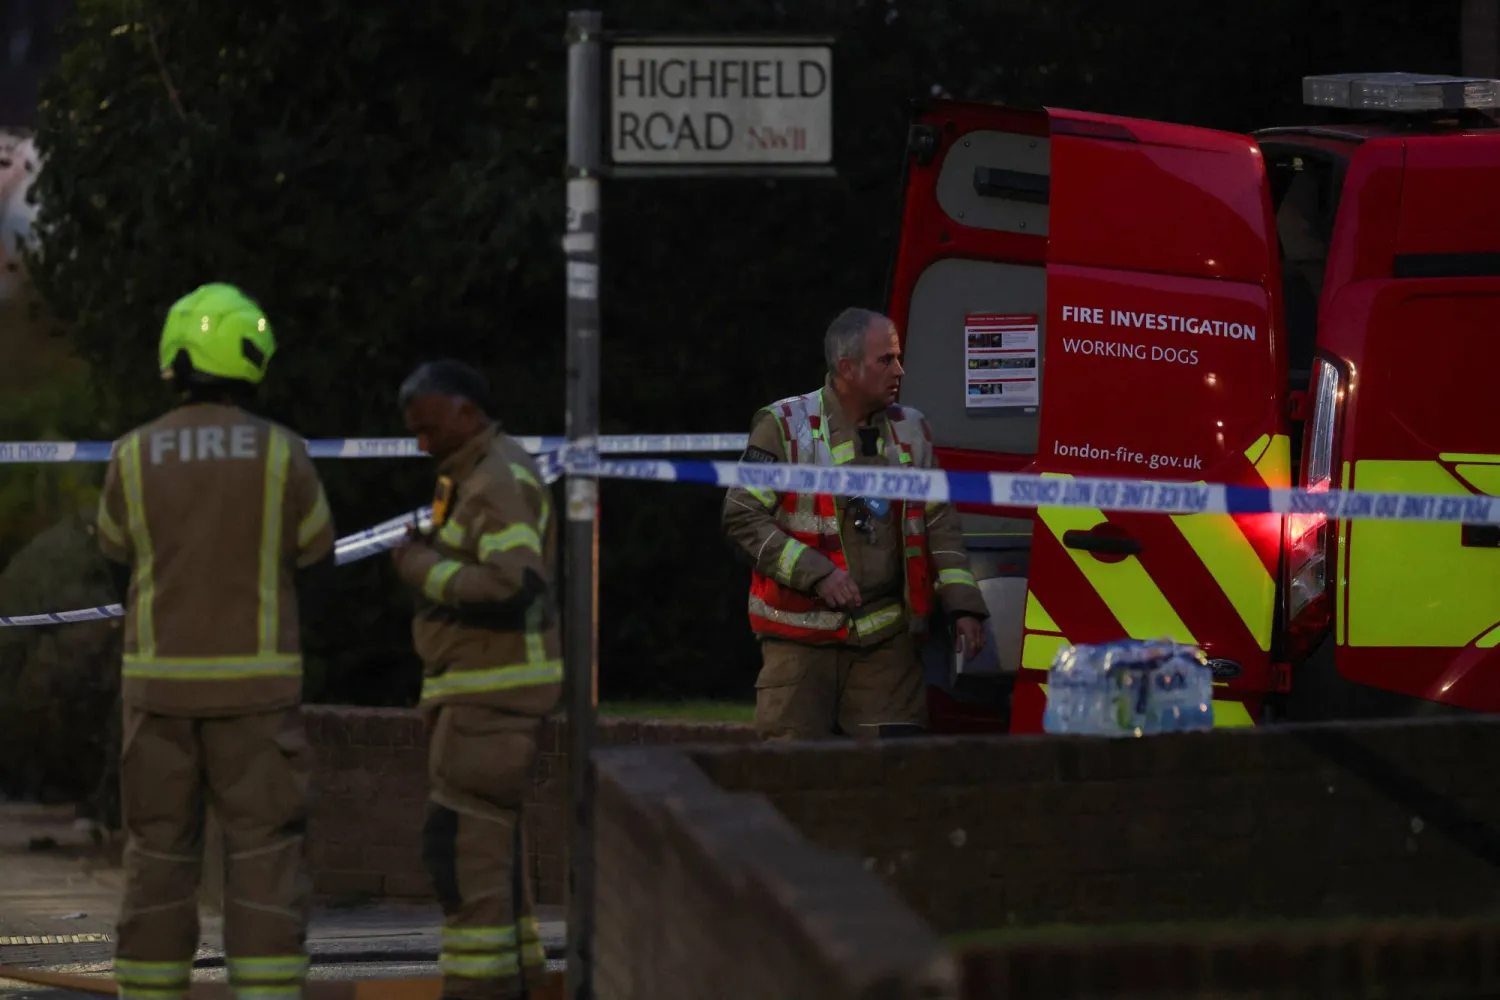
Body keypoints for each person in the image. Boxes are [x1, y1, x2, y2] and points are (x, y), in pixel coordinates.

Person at [96, 283, 336, 1000]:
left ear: (176, 354)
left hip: (156, 693)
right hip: (257, 698)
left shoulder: (131, 456)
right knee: (265, 855)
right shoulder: (282, 455)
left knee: (157, 856)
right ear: (249, 354)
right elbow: (318, 563)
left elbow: (116, 562)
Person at [722, 306, 990, 741]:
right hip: (800, 641)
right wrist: (817, 572)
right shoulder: (783, 427)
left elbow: (940, 523)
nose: (899, 370)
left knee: (896, 776)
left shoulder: (913, 430)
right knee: (791, 777)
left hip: (886, 642)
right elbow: (741, 515)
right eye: (886, 359)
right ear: (846, 367)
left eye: (898, 357)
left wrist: (963, 605)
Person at [390, 360, 560, 1000]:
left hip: (491, 697)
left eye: (429, 427)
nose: (422, 443)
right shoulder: (473, 475)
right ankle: (520, 984)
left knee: (462, 862)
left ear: (466, 411)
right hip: (486, 695)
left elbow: (514, 581)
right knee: (492, 867)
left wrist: (420, 568)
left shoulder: (492, 481)